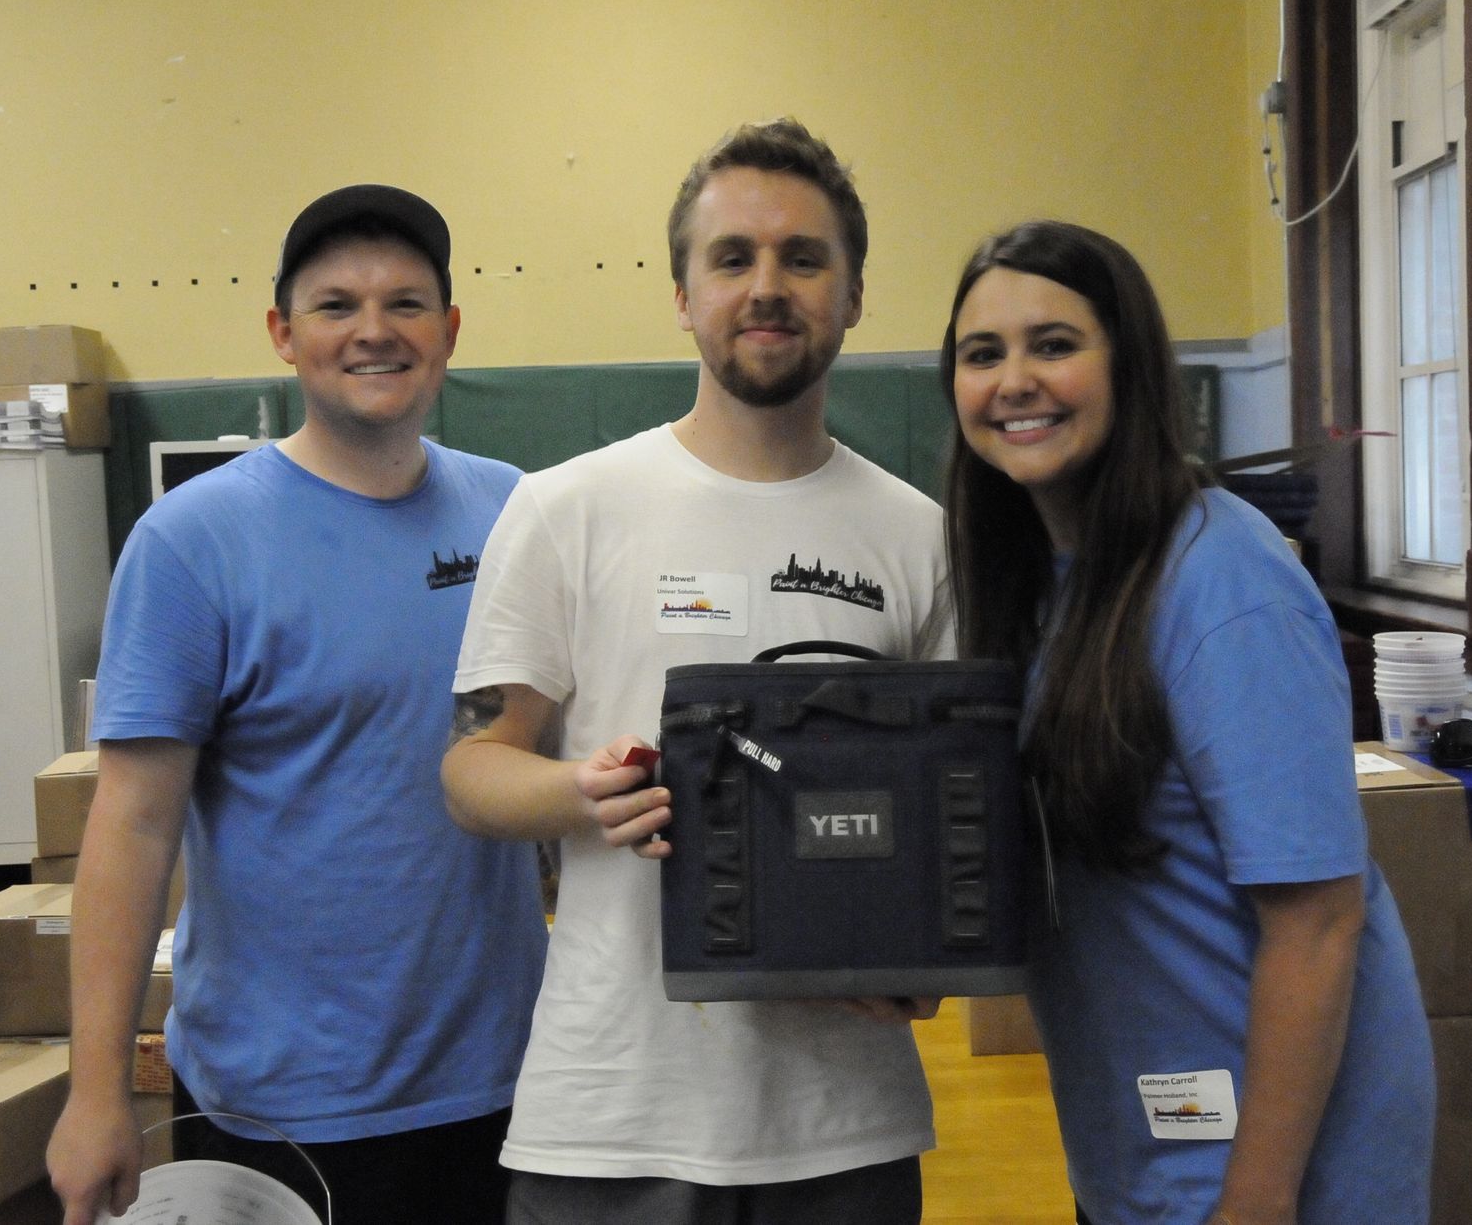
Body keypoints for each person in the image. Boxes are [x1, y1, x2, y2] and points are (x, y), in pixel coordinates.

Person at [441, 119, 949, 1225]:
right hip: (611, 1120)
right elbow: (473, 770)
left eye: (803, 258)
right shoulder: (565, 509)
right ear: (683, 294)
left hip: (842, 1127)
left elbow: (954, 805)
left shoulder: (919, 536)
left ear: (855, 295)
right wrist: (583, 792)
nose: (767, 287)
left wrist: (927, 950)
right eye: (732, 258)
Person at [46, 185, 547, 1225]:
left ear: (450, 330)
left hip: (508, 1083)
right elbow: (132, 826)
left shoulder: (516, 510)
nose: (374, 330)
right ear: (283, 333)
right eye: (335, 306)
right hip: (279, 1105)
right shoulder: (193, 542)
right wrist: (95, 1093)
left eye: (406, 303)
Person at [939, 220, 1435, 1225]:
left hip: (1274, 1174)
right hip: (1146, 1149)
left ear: (1130, 366)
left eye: (1054, 345)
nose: (1015, 381)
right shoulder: (1037, 588)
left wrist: (1255, 1200)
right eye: (982, 354)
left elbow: (1317, 920)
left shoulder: (1223, 577)